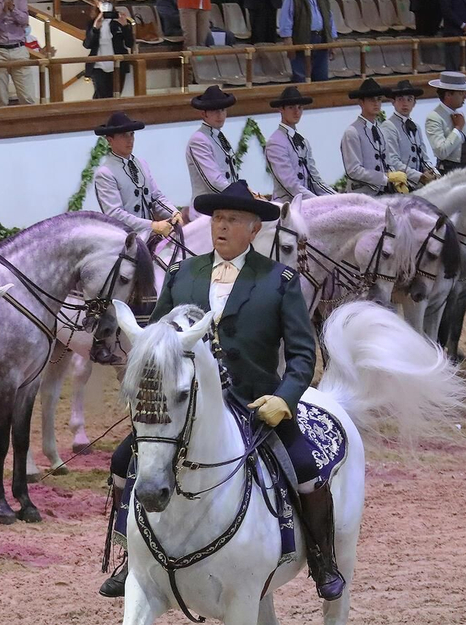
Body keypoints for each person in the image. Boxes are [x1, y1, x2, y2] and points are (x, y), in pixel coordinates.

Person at [99, 181, 342, 601]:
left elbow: (303, 354)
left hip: (257, 404)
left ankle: (322, 559)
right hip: (187, 403)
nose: (222, 228)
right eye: (218, 220)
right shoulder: (181, 274)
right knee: (124, 460)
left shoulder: (280, 280)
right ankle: (128, 557)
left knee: (306, 471)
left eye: (233, 221)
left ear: (253, 230)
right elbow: (156, 340)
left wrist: (284, 399)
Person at [91, 111, 182, 240]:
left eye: (132, 134)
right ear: (110, 140)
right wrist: (152, 225)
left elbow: (155, 197)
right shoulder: (105, 173)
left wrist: (173, 212)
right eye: (123, 135)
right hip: (125, 239)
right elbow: (115, 214)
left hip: (151, 234)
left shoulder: (141, 164)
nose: (130, 140)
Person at [265, 85, 335, 201]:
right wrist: (317, 202)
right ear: (281, 109)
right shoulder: (275, 142)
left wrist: (338, 197)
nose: (296, 112)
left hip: (306, 202)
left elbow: (315, 179)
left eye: (300, 107)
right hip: (286, 206)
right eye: (291, 107)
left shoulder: (303, 141)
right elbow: (290, 185)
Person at [339, 78, 408, 194]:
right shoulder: (352, 132)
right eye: (372, 100)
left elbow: (387, 162)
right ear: (361, 102)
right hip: (362, 195)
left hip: (384, 192)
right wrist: (386, 178)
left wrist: (397, 180)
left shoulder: (380, 131)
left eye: (379, 99)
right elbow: (354, 170)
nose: (376, 103)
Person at [185, 85, 240, 205]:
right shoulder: (199, 140)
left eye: (222, 110)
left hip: (226, 203)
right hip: (207, 208)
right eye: (214, 111)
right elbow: (214, 182)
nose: (220, 115)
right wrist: (240, 195)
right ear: (204, 114)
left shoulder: (219, 136)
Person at [383, 80, 436, 190]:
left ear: (414, 103)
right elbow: (393, 161)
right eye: (400, 99)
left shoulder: (416, 127)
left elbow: (424, 157)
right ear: (393, 102)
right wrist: (419, 176)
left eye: (409, 99)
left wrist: (434, 173)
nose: (405, 103)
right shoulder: (389, 126)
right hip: (402, 185)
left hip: (420, 184)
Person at [83, 0, 133, 99]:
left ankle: (112, 115)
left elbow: (130, 43)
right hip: (98, 65)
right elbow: (87, 45)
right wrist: (95, 28)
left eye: (110, 2)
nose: (107, 4)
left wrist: (125, 27)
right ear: (98, 3)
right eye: (104, 1)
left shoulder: (119, 21)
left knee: (115, 96)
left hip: (118, 65)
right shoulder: (92, 23)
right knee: (102, 96)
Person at [426, 70, 466, 174]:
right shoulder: (434, 117)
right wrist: (457, 129)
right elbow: (441, 152)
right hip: (449, 172)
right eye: (461, 93)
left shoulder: (459, 114)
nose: (465, 97)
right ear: (448, 95)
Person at [278, 0, 334, 82]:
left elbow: (330, 20)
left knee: (321, 77)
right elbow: (286, 20)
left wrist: (332, 41)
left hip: (321, 40)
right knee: (301, 77)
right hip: (301, 40)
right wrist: (288, 42)